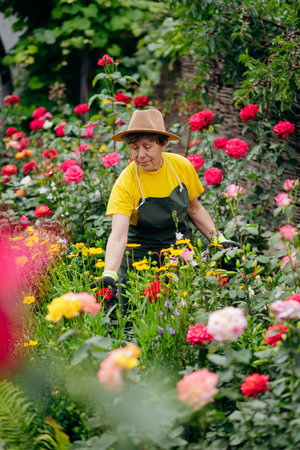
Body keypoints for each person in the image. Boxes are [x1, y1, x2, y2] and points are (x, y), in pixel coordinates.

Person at [93, 109, 238, 310]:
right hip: (139, 262)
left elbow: (194, 210)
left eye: (147, 147)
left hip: (179, 255)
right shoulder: (126, 183)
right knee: (133, 316)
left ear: (163, 144)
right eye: (134, 148)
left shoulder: (181, 167)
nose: (140, 155)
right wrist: (109, 274)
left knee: (182, 311)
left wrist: (219, 240)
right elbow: (118, 236)